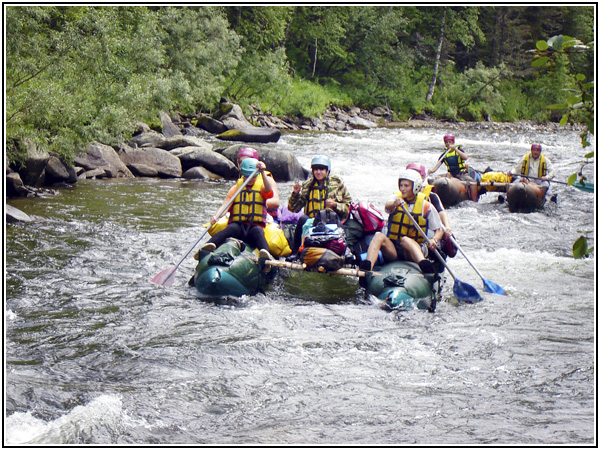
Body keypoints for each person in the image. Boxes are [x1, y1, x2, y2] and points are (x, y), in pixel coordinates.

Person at [359, 169, 444, 274]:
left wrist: (434, 240)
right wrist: (395, 203)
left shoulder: (426, 206)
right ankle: (366, 268)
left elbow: (439, 229)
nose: (402, 189)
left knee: (405, 240)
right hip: (394, 249)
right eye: (401, 185)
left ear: (415, 187)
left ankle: (424, 265)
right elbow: (388, 208)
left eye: (406, 186)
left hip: (414, 249)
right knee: (378, 235)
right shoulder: (395, 198)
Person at [199, 158, 274, 260]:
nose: (250, 179)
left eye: (253, 176)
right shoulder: (235, 189)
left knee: (258, 231)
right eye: (247, 176)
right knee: (231, 228)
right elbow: (225, 206)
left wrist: (262, 173)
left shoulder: (261, 187)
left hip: (253, 229)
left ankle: (265, 257)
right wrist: (216, 217)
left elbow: (269, 189)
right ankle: (208, 247)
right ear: (243, 174)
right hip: (238, 228)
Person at [287, 155, 352, 256]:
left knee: (341, 226)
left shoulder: (337, 183)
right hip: (312, 222)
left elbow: (347, 208)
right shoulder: (307, 185)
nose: (318, 172)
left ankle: (345, 253)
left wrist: (335, 205)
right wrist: (295, 194)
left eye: (321, 169)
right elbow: (293, 208)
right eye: (315, 169)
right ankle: (295, 252)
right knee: (302, 219)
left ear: (327, 171)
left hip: (332, 222)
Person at [428, 134, 478, 201]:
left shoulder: (459, 150)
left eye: (450, 142)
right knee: (436, 178)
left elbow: (465, 157)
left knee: (473, 183)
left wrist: (455, 149)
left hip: (461, 173)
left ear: (453, 142)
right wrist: (432, 171)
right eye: (446, 142)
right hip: (451, 174)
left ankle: (474, 201)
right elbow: (438, 164)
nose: (448, 144)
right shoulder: (444, 154)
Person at [236, 147, 280, 217]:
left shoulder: (267, 179)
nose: (243, 164)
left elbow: (276, 202)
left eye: (247, 161)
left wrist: (255, 203)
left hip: (266, 216)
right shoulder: (241, 180)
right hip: (245, 215)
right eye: (240, 162)